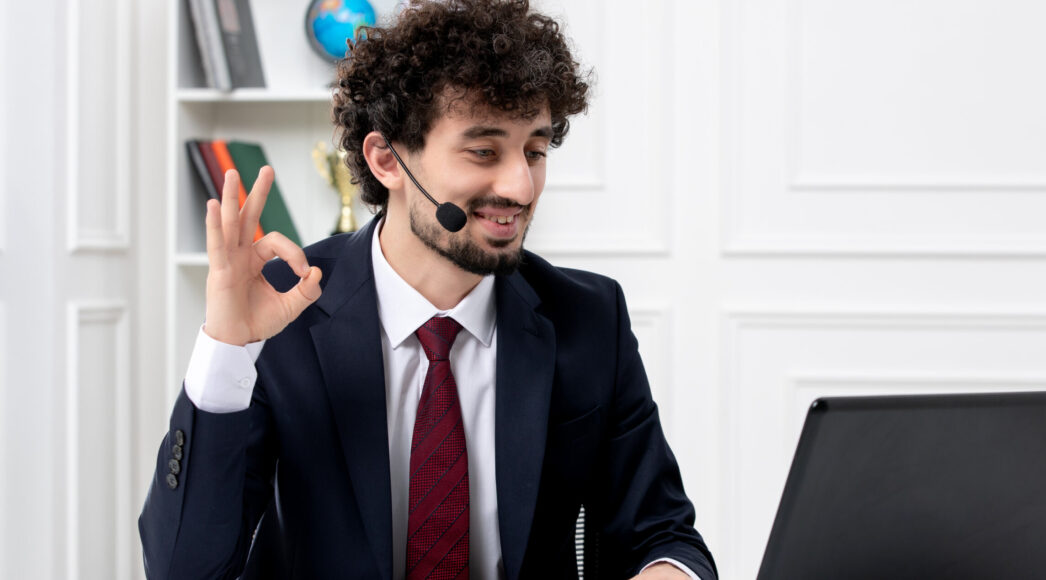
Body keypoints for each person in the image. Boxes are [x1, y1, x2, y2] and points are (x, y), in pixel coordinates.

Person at [139, 1, 716, 578]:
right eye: (483, 151)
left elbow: (663, 534)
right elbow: (183, 569)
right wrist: (227, 348)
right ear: (387, 158)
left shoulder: (589, 317)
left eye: (535, 151)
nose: (520, 184)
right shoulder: (286, 307)